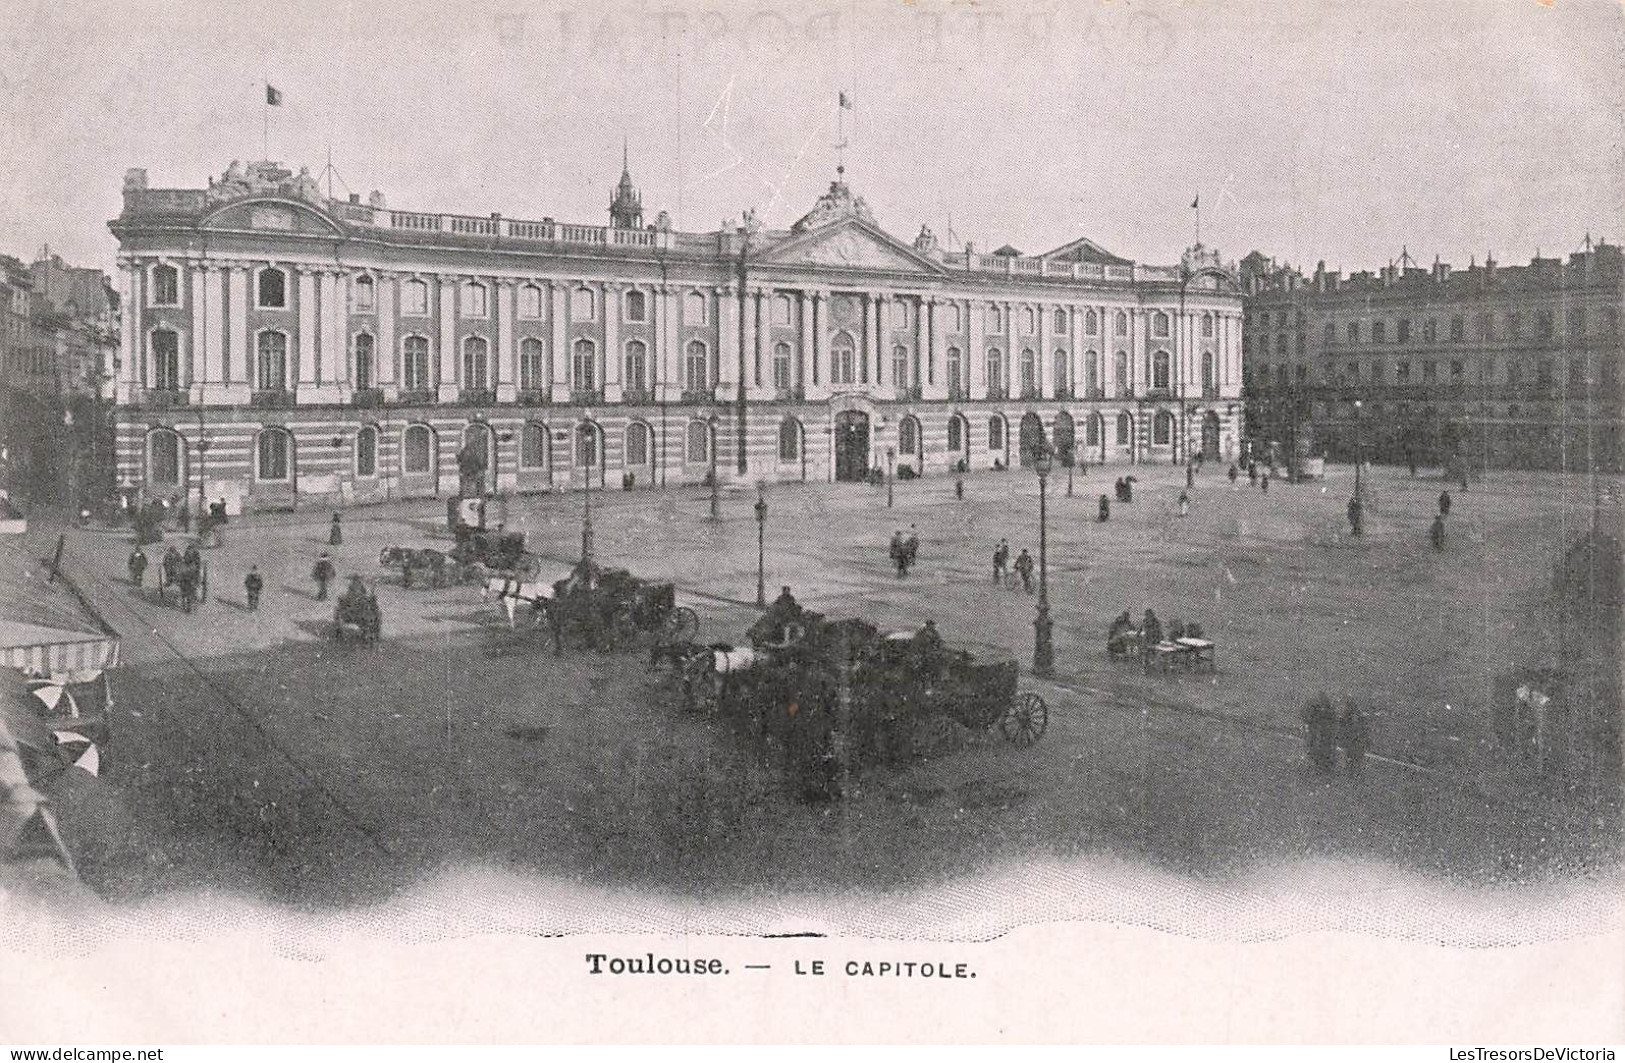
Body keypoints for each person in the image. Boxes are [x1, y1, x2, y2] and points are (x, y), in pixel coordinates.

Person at [1301, 692, 1339, 775]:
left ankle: (1323, 766)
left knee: (1320, 749)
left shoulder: (1323, 711)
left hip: (1322, 734)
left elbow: (1310, 720)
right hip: (1323, 735)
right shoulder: (1327, 711)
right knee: (1322, 749)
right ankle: (1323, 766)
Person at [1339, 699, 1371, 775]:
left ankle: (1353, 769)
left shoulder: (1351, 717)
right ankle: (1354, 770)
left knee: (1353, 756)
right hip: (1354, 741)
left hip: (1354, 740)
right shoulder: (1355, 716)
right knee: (1354, 756)